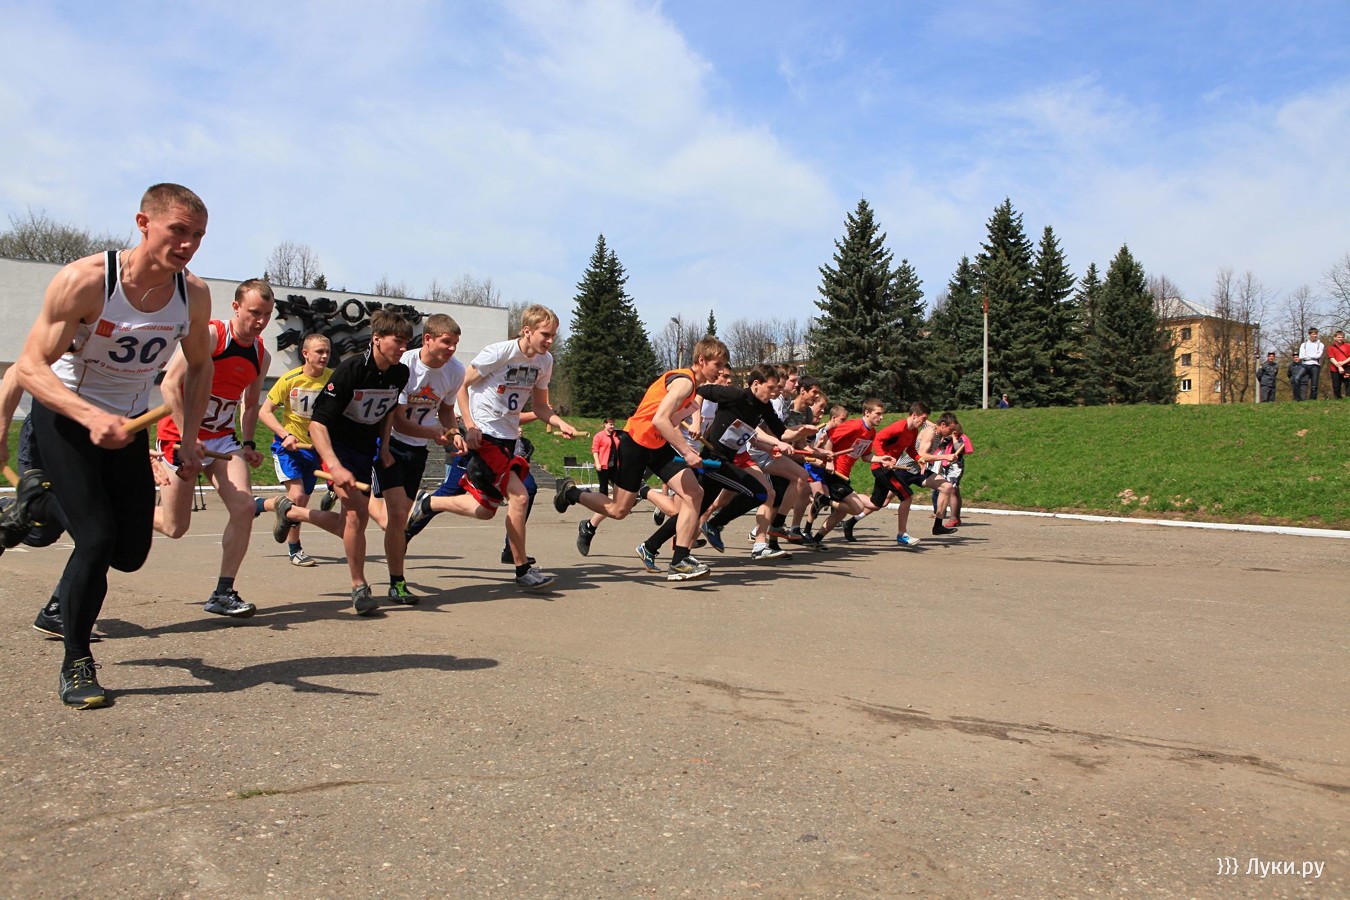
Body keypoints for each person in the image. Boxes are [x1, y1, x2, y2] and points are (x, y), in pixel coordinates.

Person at [14, 183, 213, 708]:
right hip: (66, 418)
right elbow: (30, 366)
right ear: (143, 223)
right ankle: (77, 660)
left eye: (197, 235)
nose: (188, 244)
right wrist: (88, 416)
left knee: (129, 554)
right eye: (178, 231)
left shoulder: (193, 294)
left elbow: (200, 365)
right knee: (96, 540)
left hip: (127, 425)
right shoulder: (87, 281)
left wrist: (190, 437)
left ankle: (37, 502)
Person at [275, 309, 412, 615]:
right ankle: (359, 586)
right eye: (398, 341)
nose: (403, 348)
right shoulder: (350, 370)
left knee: (350, 523)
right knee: (356, 516)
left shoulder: (400, 373)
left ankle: (293, 511)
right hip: (338, 448)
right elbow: (317, 425)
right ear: (377, 339)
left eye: (406, 342)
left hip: (367, 448)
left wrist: (385, 446)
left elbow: (388, 412)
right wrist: (334, 465)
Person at [559, 337, 730, 581]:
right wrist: (688, 452)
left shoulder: (693, 390)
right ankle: (571, 493)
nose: (721, 371)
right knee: (618, 510)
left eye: (723, 366)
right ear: (702, 360)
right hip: (635, 443)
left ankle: (680, 560)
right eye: (718, 365)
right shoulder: (685, 382)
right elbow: (659, 419)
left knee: (694, 493)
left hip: (657, 446)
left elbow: (667, 421)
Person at [154, 279, 273, 619]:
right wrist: (187, 437)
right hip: (179, 436)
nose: (260, 321)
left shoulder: (260, 354)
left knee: (244, 507)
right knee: (175, 527)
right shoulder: (210, 336)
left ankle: (223, 592)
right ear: (236, 307)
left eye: (267, 314)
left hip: (221, 439)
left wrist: (247, 443)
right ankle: (128, 510)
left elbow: (250, 403)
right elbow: (168, 386)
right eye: (254, 312)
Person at [456, 304, 577, 590]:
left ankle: (430, 503)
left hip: (509, 436)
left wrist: (559, 422)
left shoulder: (545, 361)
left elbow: (540, 407)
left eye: (553, 335)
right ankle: (522, 569)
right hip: (484, 432)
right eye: (545, 334)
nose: (550, 341)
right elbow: (460, 386)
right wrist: (469, 424)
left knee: (486, 508)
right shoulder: (499, 352)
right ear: (527, 331)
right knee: (520, 496)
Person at [361, 313, 467, 602]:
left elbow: (446, 409)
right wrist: (433, 433)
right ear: (428, 339)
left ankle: (396, 578)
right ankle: (397, 583)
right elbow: (397, 420)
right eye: (447, 342)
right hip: (390, 444)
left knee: (399, 522)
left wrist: (454, 432)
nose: (452, 349)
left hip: (418, 450)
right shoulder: (405, 365)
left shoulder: (455, 371)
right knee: (396, 517)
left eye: (456, 343)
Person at [255, 332, 333, 566]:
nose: (324, 356)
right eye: (319, 352)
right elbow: (264, 412)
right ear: (305, 353)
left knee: (301, 502)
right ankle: (295, 549)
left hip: (314, 450)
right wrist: (285, 435)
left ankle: (257, 504)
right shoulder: (290, 379)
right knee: (297, 496)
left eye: (327, 352)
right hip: (289, 448)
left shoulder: (333, 380)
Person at [591, 418, 621, 497]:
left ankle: (617, 502)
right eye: (610, 424)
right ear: (605, 424)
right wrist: (597, 463)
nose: (612, 426)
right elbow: (595, 450)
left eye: (613, 424)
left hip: (615, 465)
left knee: (617, 485)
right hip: (603, 465)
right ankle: (603, 502)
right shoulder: (599, 436)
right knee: (603, 487)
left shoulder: (616, 435)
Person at [1294, 328, 1325, 401]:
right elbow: (1301, 356)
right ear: (1310, 334)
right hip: (1305, 365)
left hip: (1315, 365)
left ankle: (1313, 400)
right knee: (1296, 378)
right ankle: (1298, 399)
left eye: (1316, 334)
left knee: (1314, 385)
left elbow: (1318, 356)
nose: (1315, 335)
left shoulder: (1320, 344)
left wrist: (1307, 356)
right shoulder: (1304, 345)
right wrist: (1311, 356)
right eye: (1313, 334)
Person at [1326, 330, 1349, 400]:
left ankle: (1348, 398)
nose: (1340, 338)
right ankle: (1338, 398)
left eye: (1342, 337)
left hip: (1347, 366)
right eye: (1339, 337)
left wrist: (1343, 362)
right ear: (1335, 338)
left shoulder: (1348, 346)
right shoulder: (1331, 347)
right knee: (1336, 384)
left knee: (1348, 382)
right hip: (1335, 368)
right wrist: (1339, 366)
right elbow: (1331, 358)